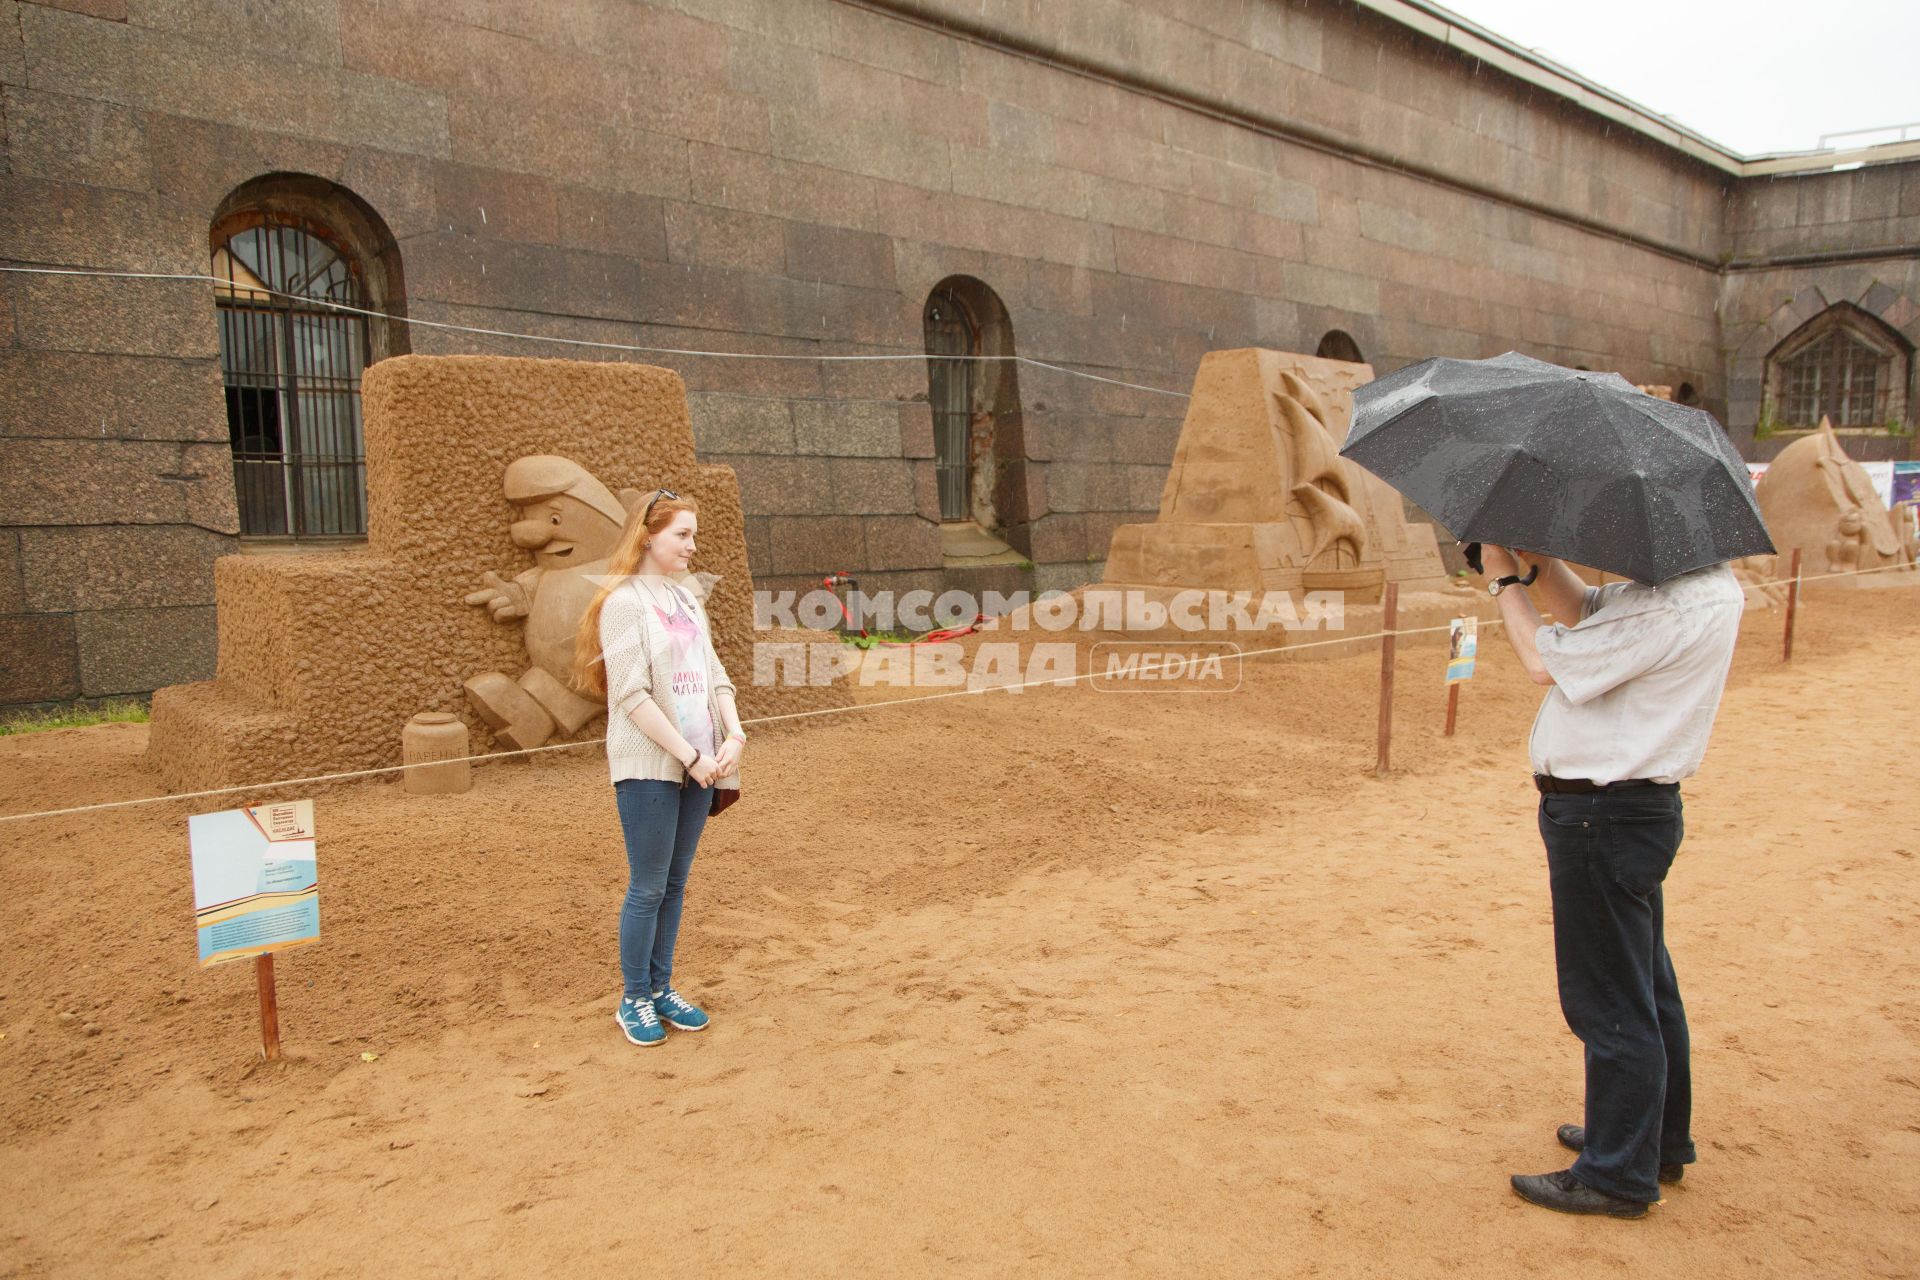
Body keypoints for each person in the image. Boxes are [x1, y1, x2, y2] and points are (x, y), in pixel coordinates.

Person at [1477, 546, 1745, 1218]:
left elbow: (1544, 662)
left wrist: (1504, 582)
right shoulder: (1690, 587)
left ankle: (1617, 1172)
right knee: (1645, 987)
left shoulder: (1675, 605)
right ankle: (1651, 1139)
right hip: (1626, 812)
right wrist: (1538, 561)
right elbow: (1588, 610)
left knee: (1609, 998)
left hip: (1604, 815)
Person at [574, 490, 745, 1047]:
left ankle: (662, 987)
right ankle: (634, 999)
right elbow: (631, 695)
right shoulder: (624, 602)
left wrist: (735, 733)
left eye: (694, 535)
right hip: (653, 763)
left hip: (704, 760)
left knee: (675, 882)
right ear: (648, 537)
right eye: (683, 535)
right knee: (647, 886)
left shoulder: (688, 599)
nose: (693, 546)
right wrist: (690, 756)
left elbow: (715, 672)